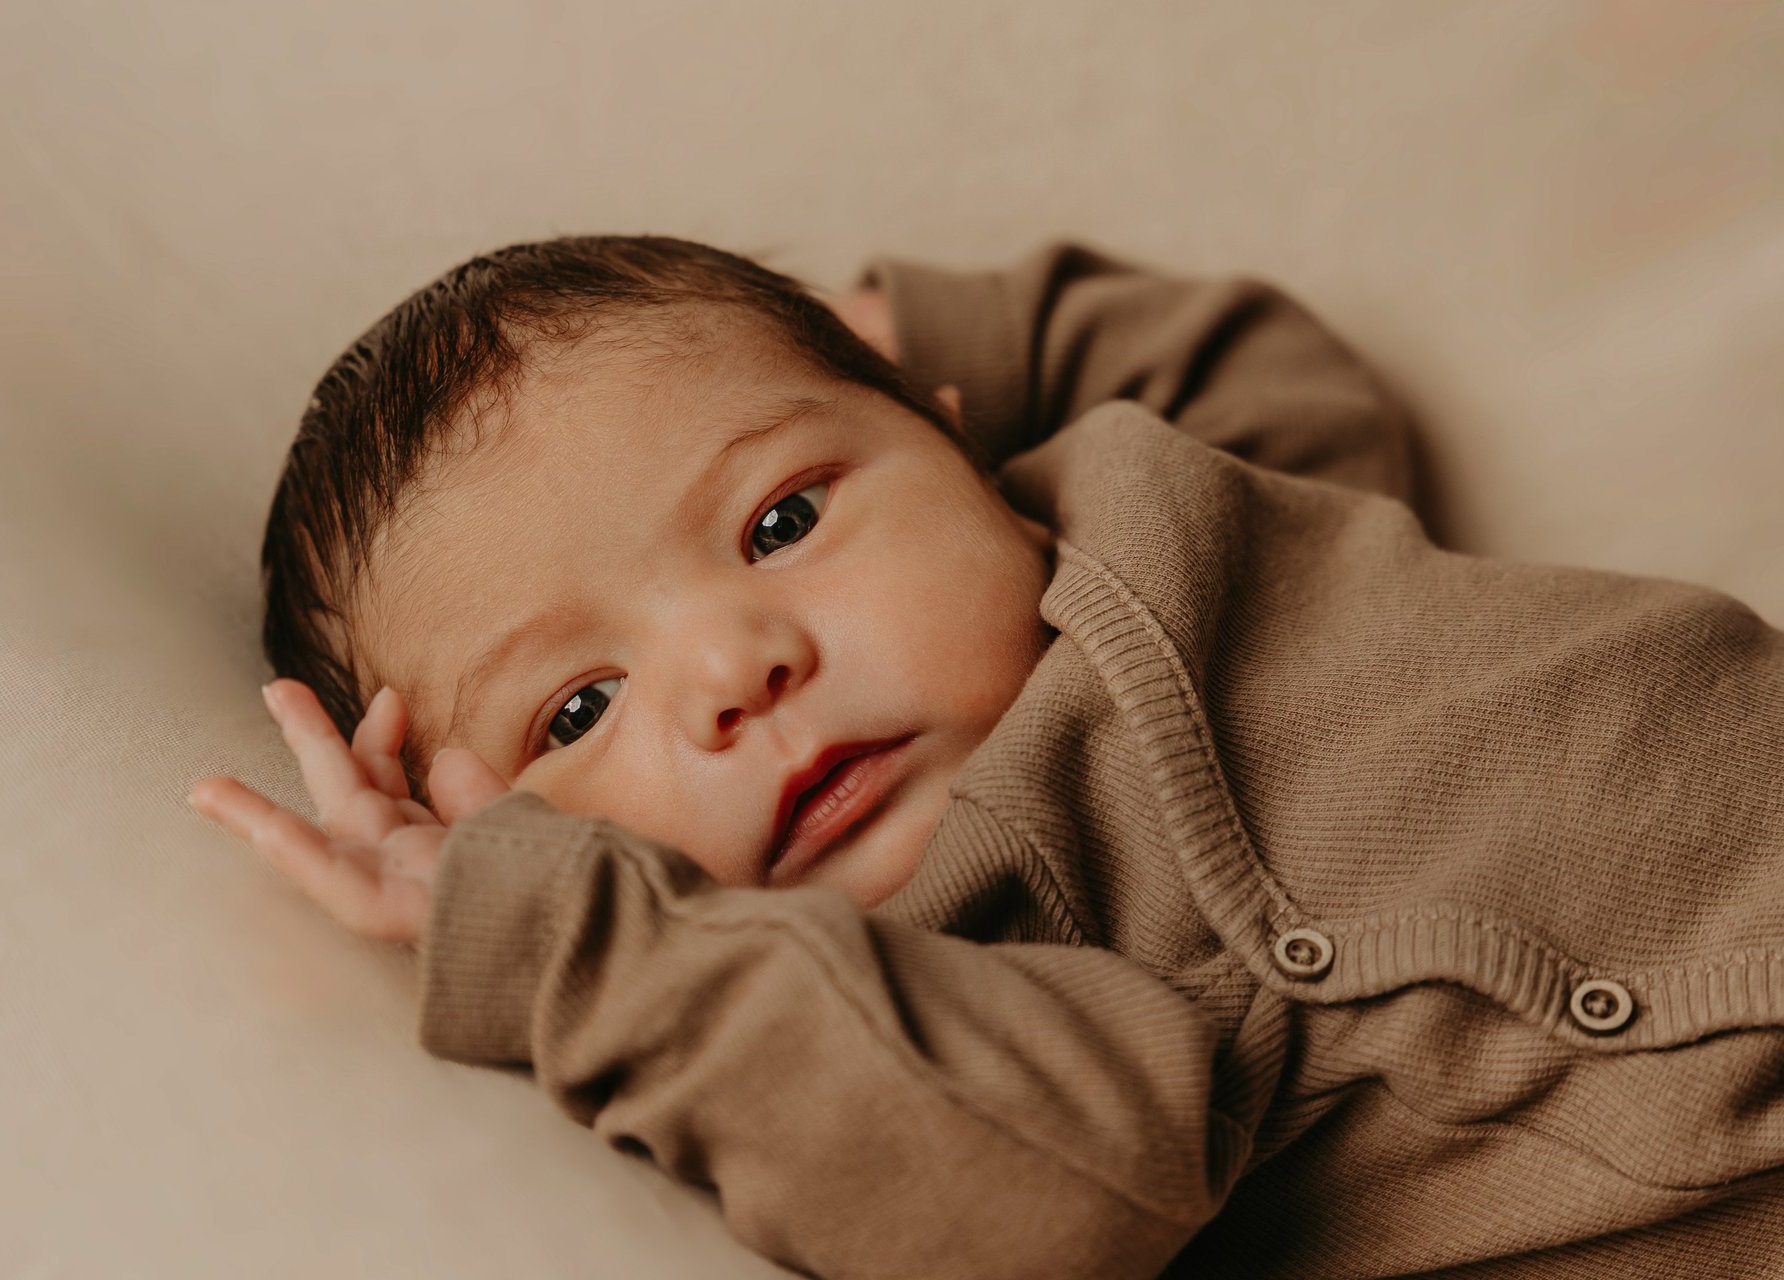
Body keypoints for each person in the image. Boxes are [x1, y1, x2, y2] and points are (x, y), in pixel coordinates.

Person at [189, 236, 1784, 1278]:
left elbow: (1278, 381)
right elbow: (1064, 1196)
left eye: (782, 520)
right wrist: (570, 939)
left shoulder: (1173, 511)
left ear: (960, 443)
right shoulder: (932, 967)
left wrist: (922, 329)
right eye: (576, 713)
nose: (736, 672)